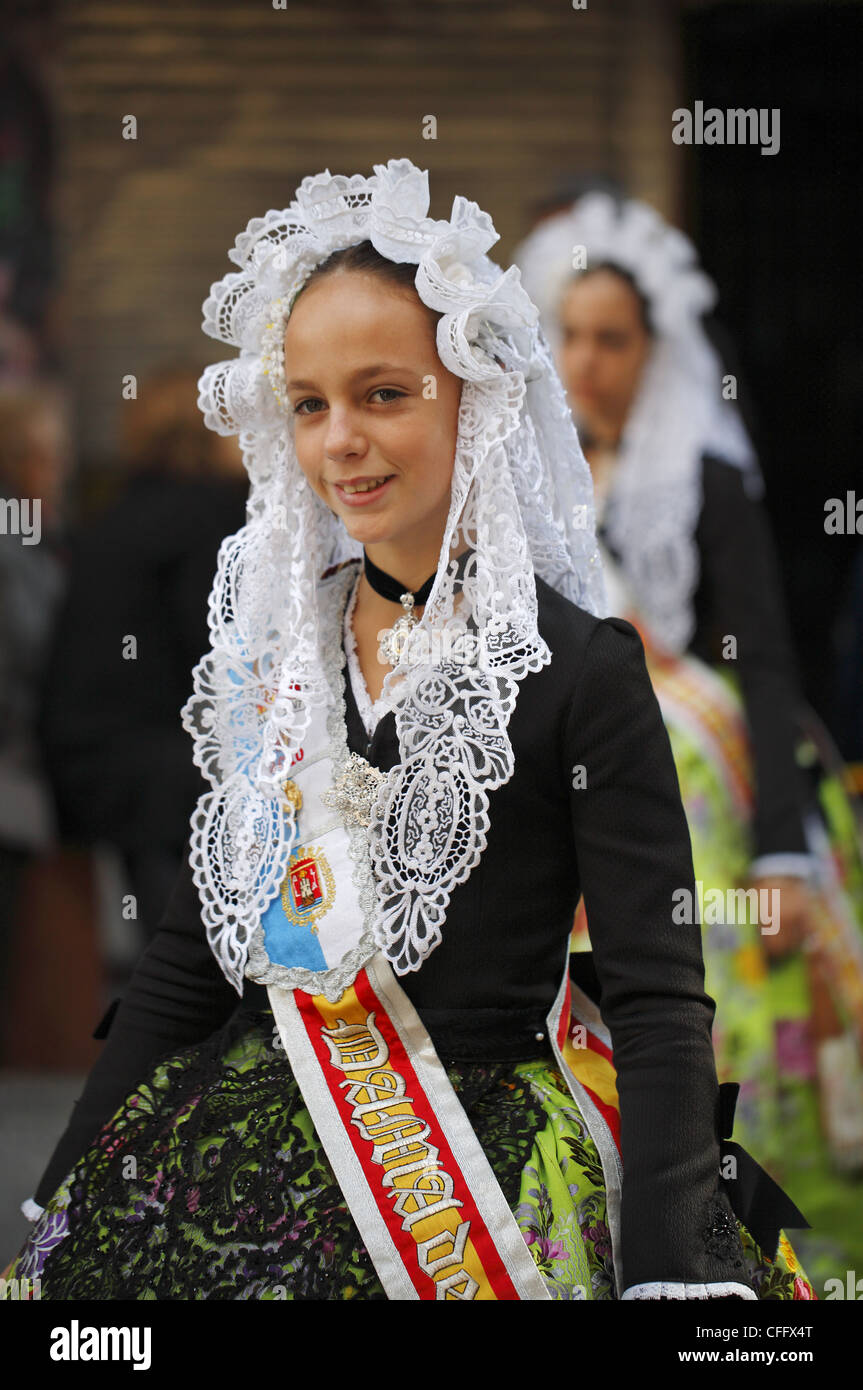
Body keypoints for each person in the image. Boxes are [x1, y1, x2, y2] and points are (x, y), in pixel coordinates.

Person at [4, 161, 813, 1301]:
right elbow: (191, 956)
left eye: (384, 393)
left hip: (480, 1169)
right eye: (309, 402)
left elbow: (653, 989)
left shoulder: (578, 666)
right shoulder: (272, 663)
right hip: (238, 1155)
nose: (341, 438)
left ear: (472, 401)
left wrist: (671, 1264)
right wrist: (59, 1195)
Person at [514, 193, 863, 1268]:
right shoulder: (525, 474)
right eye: (566, 334)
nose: (585, 360)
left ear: (652, 348)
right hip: (564, 788)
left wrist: (779, 851)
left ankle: (737, 1263)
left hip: (704, 808)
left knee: (713, 1035)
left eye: (610, 339)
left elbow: (760, 657)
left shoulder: (702, 476)